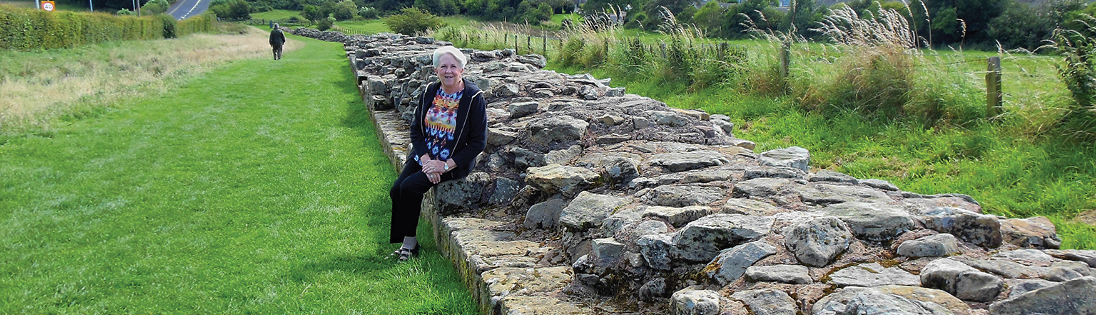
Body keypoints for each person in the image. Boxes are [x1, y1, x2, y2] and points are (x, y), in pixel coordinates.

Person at [388, 46, 487, 261]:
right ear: (436, 70)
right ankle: (408, 241)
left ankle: (409, 245)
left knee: (410, 187)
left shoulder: (473, 98)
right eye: (444, 66)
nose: (448, 71)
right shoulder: (429, 92)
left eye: (453, 66)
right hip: (425, 155)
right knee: (397, 190)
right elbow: (416, 130)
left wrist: (443, 166)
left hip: (453, 161)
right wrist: (426, 162)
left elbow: (478, 142)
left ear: (461, 70)